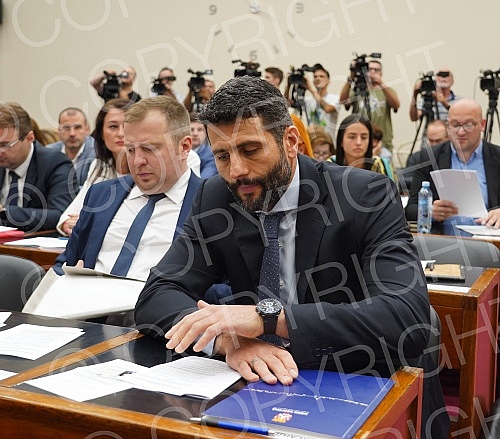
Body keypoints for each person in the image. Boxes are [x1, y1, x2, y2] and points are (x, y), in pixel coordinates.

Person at [135, 76, 449, 438]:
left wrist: (268, 320)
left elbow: (407, 318)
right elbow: (157, 294)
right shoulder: (216, 197)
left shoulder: (364, 195)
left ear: (290, 142)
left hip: (359, 382)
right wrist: (226, 340)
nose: (236, 171)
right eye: (222, 156)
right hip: (257, 389)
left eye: (250, 150)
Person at [54, 96, 202, 283]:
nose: (137, 161)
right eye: (130, 149)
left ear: (184, 147)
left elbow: (226, 288)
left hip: (159, 300)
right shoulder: (101, 195)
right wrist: (70, 280)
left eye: (149, 149)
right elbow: (63, 265)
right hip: (90, 298)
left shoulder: (211, 202)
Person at [405, 98, 500, 234]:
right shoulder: (430, 157)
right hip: (443, 240)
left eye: (468, 125)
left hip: (489, 239)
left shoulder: (497, 157)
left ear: (482, 124)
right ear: (448, 126)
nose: (460, 132)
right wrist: (430, 211)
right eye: (455, 125)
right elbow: (410, 210)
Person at [0, 102, 78, 231]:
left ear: (29, 138)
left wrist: (4, 212)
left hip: (34, 240)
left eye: (5, 145)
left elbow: (61, 215)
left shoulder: (55, 163)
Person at [340, 59, 400, 152]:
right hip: (359, 144)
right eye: (369, 69)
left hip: (383, 144)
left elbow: (396, 105)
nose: (372, 72)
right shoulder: (357, 90)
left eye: (376, 70)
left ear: (381, 73)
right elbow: (343, 101)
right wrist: (351, 78)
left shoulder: (387, 91)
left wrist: (380, 83)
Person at [285, 64, 340, 140]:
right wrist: (288, 85)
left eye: (321, 76)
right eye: (315, 76)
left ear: (328, 81)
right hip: (311, 141)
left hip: (327, 142)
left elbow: (327, 108)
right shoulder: (308, 100)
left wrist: (311, 89)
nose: (318, 78)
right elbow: (286, 104)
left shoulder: (335, 98)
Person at [333, 115, 396, 181]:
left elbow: (388, 187)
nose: (358, 142)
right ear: (341, 141)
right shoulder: (331, 164)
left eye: (364, 137)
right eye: (352, 137)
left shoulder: (379, 164)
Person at [46, 107, 96, 187]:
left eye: (77, 127)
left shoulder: (97, 152)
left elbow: (94, 189)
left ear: (87, 130)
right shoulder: (48, 153)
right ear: (59, 131)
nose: (72, 133)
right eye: (66, 128)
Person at [402, 120, 449, 193]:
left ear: (448, 139)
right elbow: (405, 180)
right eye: (431, 141)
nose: (434, 144)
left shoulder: (453, 158)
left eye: (438, 141)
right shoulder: (417, 157)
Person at [189, 112, 217, 178]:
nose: (195, 134)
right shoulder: (177, 152)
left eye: (199, 130)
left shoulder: (211, 155)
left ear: (205, 133)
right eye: (191, 129)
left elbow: (204, 179)